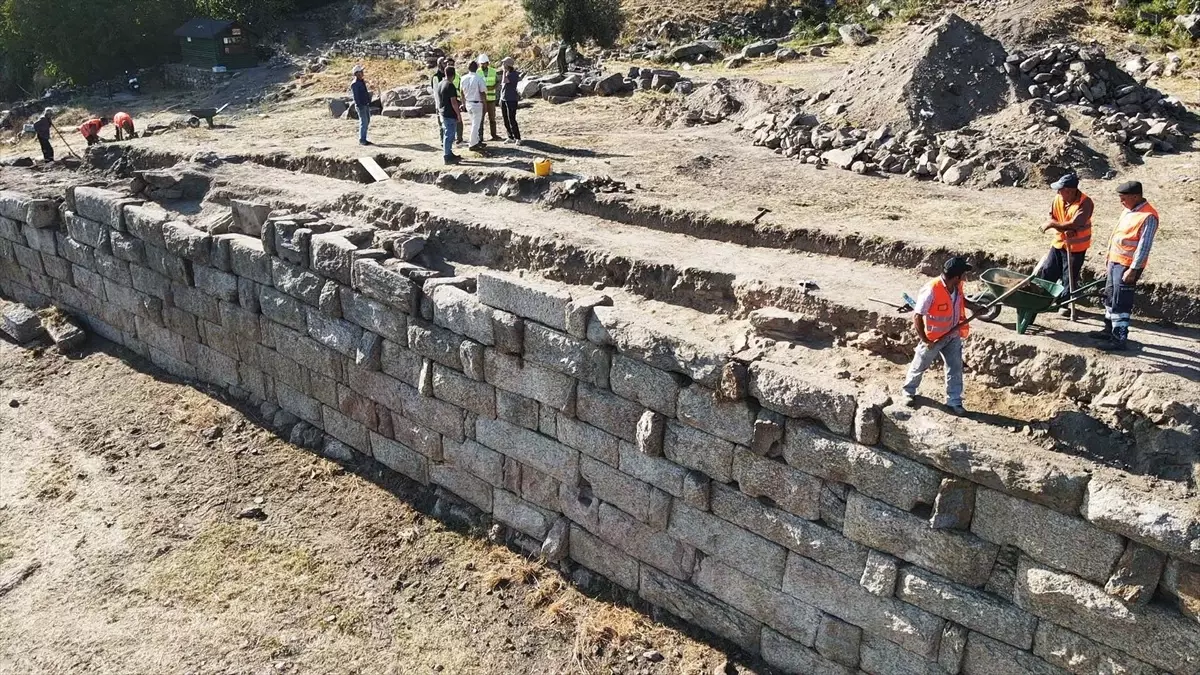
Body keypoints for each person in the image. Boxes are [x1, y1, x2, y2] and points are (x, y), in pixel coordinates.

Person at [901, 256, 973, 415]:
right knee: (920, 364)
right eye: (964, 274)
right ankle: (908, 392)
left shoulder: (957, 285)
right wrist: (925, 340)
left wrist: (977, 307)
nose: (965, 277)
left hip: (952, 335)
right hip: (933, 338)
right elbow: (917, 315)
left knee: (955, 368)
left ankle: (954, 401)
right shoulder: (932, 289)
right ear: (957, 276)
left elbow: (962, 300)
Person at [1094, 181, 1160, 352]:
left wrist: (1134, 269)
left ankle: (1119, 338)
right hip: (1115, 261)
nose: (1121, 201)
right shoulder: (1129, 210)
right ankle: (1109, 330)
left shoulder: (1148, 216)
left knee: (1121, 302)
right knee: (1110, 296)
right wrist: (1109, 257)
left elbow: (1144, 247)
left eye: (1123, 198)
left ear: (1135, 196)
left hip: (1127, 266)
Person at [1036, 173, 1093, 312]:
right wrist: (1061, 226)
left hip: (1076, 247)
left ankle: (1063, 304)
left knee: (1069, 277)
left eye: (1060, 189)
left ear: (1070, 190)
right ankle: (1042, 300)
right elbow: (1053, 216)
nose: (1058, 192)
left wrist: (1053, 225)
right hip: (1059, 243)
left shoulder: (1086, 203)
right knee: (1048, 270)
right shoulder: (1058, 198)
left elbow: (1075, 223)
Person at [459, 61, 487, 151]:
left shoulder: (463, 78)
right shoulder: (479, 78)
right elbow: (482, 93)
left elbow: (461, 92)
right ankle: (472, 144)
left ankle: (477, 141)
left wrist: (463, 103)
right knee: (476, 125)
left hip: (468, 103)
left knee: (473, 123)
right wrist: (485, 104)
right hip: (477, 103)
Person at [438, 66, 462, 165]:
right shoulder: (450, 85)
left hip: (443, 112)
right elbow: (453, 102)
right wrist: (458, 114)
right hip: (449, 113)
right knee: (449, 135)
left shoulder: (441, 83)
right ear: (454, 75)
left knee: (447, 134)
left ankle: (449, 153)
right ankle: (447, 156)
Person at [477, 54, 501, 141]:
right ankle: (480, 137)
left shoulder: (493, 71)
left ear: (487, 63)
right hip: (482, 100)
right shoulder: (477, 72)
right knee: (481, 119)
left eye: (483, 63)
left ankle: (494, 135)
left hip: (491, 99)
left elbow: (498, 82)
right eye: (481, 64)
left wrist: (493, 87)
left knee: (492, 118)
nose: (482, 65)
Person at [500, 57, 522, 145]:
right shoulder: (507, 73)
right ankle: (510, 136)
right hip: (504, 98)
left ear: (508, 65)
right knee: (505, 119)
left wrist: (504, 72)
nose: (502, 65)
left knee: (511, 119)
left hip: (511, 99)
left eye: (504, 64)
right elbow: (503, 85)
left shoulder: (513, 74)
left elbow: (505, 81)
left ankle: (517, 138)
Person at [350, 64, 373, 146]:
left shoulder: (361, 81)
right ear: (357, 73)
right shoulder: (355, 84)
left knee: (367, 121)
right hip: (361, 106)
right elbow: (356, 97)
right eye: (361, 72)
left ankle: (364, 139)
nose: (363, 73)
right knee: (364, 122)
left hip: (365, 104)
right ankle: (362, 140)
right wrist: (360, 105)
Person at [430, 57, 447, 141]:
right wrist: (439, 105)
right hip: (440, 104)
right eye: (444, 63)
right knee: (442, 124)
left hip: (448, 103)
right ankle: (442, 140)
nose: (446, 65)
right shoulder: (436, 77)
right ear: (439, 65)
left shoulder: (447, 75)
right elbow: (436, 93)